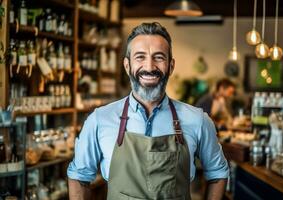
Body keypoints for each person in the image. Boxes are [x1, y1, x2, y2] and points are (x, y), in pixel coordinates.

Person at [67, 22, 229, 200]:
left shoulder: (197, 120)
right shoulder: (99, 119)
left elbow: (218, 173)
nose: (150, 67)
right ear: (127, 66)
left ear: (171, 66)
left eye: (159, 57)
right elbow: (79, 177)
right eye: (140, 57)